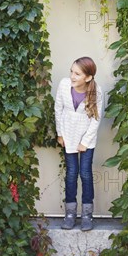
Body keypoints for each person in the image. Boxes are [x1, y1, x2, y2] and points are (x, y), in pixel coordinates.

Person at [54, 56, 103, 231]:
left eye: (77, 74)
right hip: (68, 135)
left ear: (88, 77)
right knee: (72, 173)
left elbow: (96, 120)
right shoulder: (64, 85)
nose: (72, 76)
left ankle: (87, 215)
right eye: (71, 72)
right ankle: (70, 213)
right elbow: (58, 109)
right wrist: (60, 133)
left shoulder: (96, 92)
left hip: (86, 137)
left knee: (85, 173)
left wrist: (85, 142)